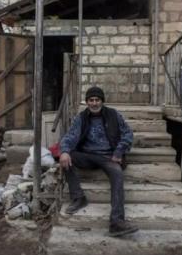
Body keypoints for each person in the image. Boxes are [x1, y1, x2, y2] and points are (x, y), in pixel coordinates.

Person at [59, 86, 138, 237]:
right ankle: (78, 197)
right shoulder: (81, 118)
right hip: (87, 155)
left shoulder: (113, 115)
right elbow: (70, 136)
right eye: (91, 100)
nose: (94, 103)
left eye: (97, 100)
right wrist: (64, 151)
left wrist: (119, 152)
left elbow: (127, 134)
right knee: (66, 158)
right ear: (87, 102)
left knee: (117, 174)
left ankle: (116, 222)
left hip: (109, 156)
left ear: (102, 101)